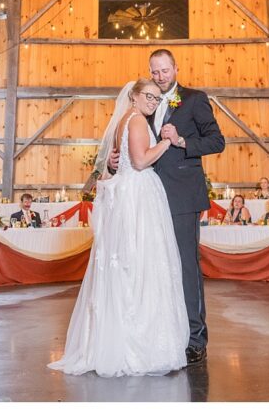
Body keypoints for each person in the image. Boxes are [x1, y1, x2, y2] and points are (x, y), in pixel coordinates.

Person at [49, 79, 189, 377]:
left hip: (126, 194)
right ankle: (138, 344)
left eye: (156, 97)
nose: (153, 101)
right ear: (134, 97)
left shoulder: (124, 119)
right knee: (141, 264)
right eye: (148, 96)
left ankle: (111, 340)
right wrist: (167, 141)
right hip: (137, 195)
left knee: (126, 264)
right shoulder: (137, 120)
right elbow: (139, 162)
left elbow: (119, 159)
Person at [103, 50, 224, 365]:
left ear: (176, 68)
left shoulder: (195, 99)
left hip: (181, 197)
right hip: (145, 199)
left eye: (165, 70)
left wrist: (182, 140)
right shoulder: (144, 106)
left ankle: (195, 339)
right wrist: (115, 163)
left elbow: (216, 141)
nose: (160, 76)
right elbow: (137, 153)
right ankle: (157, 333)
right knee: (151, 267)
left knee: (185, 267)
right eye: (155, 71)